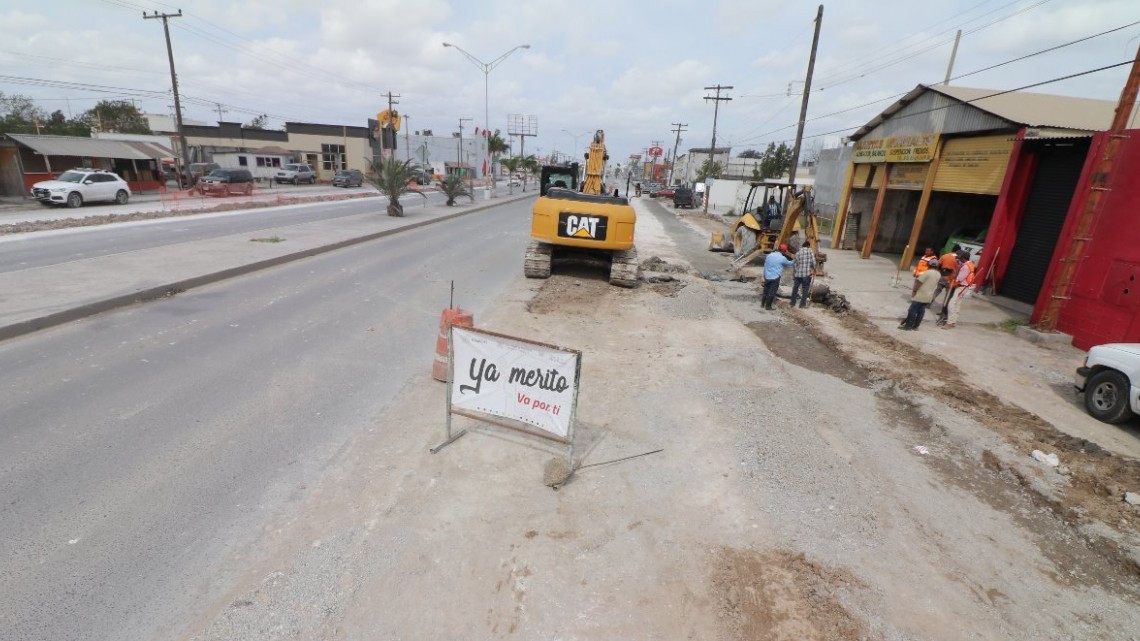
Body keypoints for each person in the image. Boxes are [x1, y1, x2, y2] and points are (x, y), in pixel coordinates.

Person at [900, 257, 942, 330]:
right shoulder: (938, 274)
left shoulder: (927, 273)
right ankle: (916, 326)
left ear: (929, 265)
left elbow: (919, 283)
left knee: (912, 309)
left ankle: (908, 326)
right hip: (929, 296)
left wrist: (914, 291)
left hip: (921, 295)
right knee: (921, 311)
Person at [942, 250, 975, 329]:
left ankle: (949, 323)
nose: (959, 259)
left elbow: (959, 279)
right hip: (963, 287)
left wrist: (952, 283)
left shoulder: (965, 267)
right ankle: (953, 322)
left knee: (951, 304)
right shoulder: (970, 264)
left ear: (964, 258)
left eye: (960, 258)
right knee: (957, 304)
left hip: (961, 287)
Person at [762, 243, 794, 310]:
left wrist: (764, 275)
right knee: (772, 292)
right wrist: (796, 259)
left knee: (766, 290)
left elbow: (765, 265)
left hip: (767, 276)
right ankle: (768, 306)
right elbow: (790, 264)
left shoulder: (769, 255)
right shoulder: (782, 258)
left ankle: (762, 304)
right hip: (775, 277)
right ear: (784, 251)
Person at [789, 243, 817, 308]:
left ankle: (792, 303)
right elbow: (814, 262)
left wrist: (796, 271)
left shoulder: (798, 252)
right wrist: (815, 269)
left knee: (795, 288)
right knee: (805, 289)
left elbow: (794, 263)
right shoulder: (810, 251)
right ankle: (802, 304)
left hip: (798, 275)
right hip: (806, 274)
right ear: (808, 246)